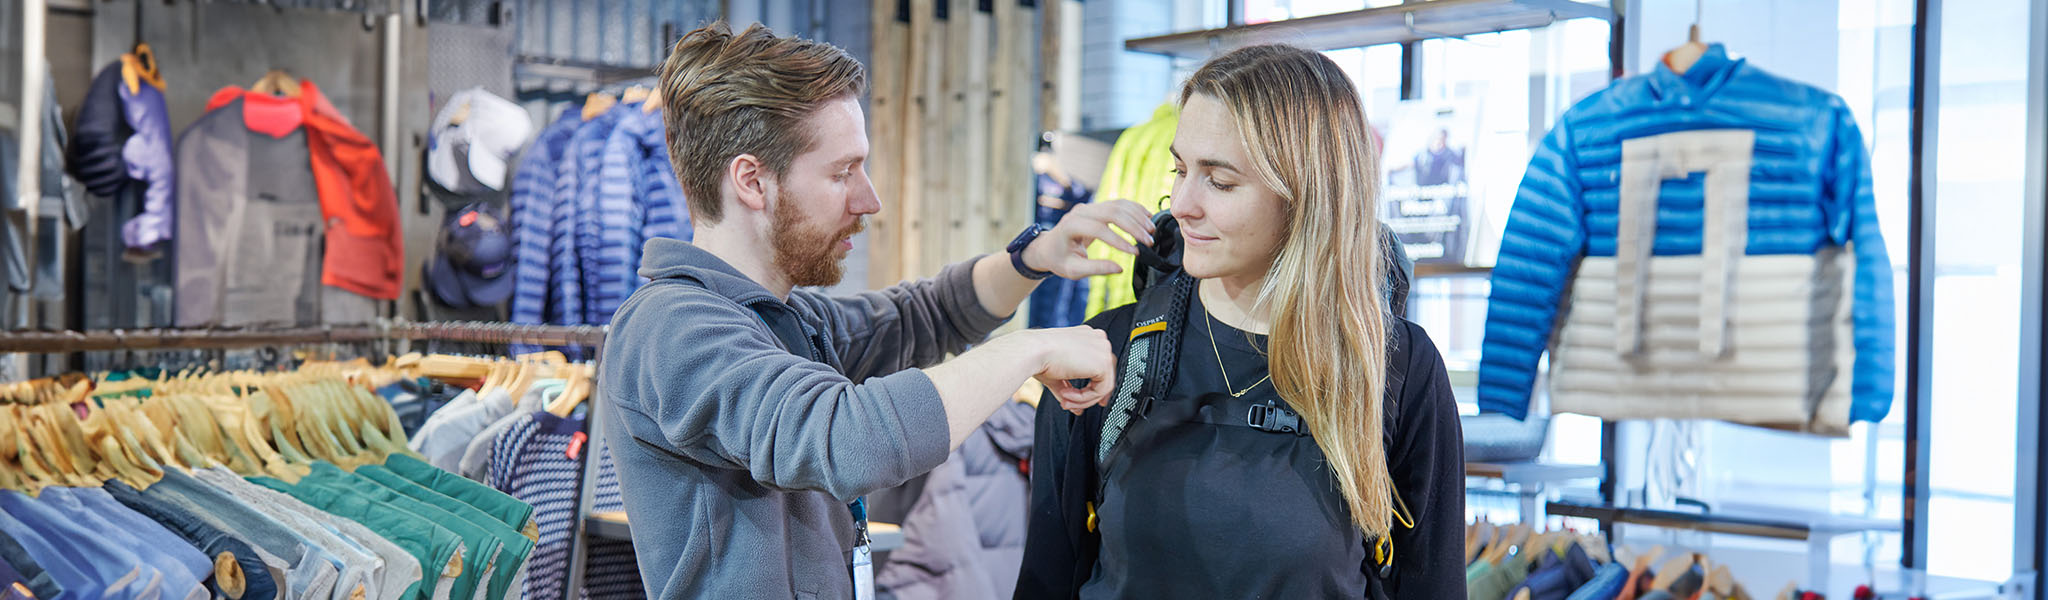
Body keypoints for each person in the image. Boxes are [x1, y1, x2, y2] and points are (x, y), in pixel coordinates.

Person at [597, 22, 1159, 599]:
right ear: (752, 181)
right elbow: (844, 439)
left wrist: (1034, 256)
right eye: (842, 172)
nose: (869, 200)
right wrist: (1030, 348)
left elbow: (927, 314)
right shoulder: (671, 327)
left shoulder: (788, 322)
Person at [1014, 44, 1466, 599]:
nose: (1180, 203)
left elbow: (1433, 585)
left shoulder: (1397, 366)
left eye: (1219, 181)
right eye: (1180, 170)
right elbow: (1047, 576)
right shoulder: (1109, 352)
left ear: (1307, 195)